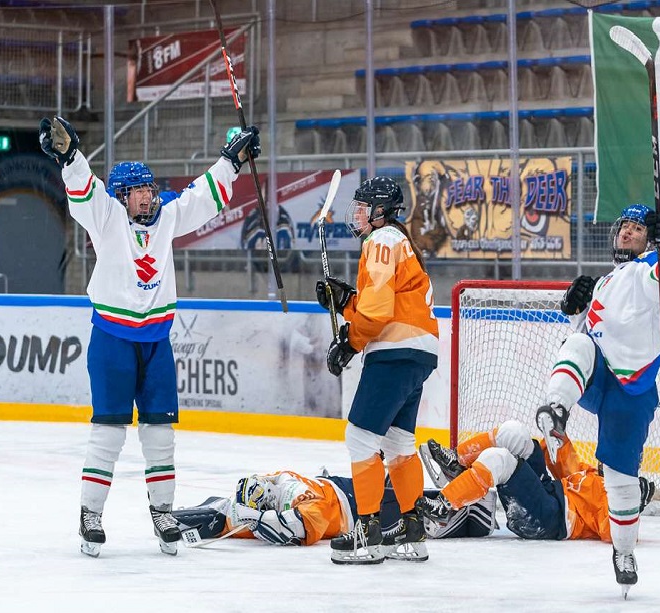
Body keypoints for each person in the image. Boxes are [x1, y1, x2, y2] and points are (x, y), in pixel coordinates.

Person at [38, 115, 261, 557]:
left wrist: (232, 161)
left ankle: (162, 512)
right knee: (109, 433)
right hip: (112, 341)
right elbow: (84, 189)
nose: (147, 195)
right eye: (138, 190)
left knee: (160, 434)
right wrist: (69, 156)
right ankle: (91, 515)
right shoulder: (107, 217)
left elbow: (202, 196)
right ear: (122, 197)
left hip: (156, 342)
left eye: (149, 188)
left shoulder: (166, 217)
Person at [531, 203, 660, 596]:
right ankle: (556, 410)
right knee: (579, 341)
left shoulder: (651, 267)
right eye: (625, 226)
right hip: (599, 378)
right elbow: (579, 337)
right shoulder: (603, 282)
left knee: (620, 481)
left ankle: (624, 552)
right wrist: (572, 310)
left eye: (638, 227)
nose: (629, 232)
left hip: (633, 392)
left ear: (649, 238)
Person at [314, 177, 439, 564]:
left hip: (395, 350)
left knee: (361, 438)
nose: (358, 214)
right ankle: (411, 530)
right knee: (399, 445)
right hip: (417, 351)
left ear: (380, 211)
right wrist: (346, 301)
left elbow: (379, 313)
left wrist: (350, 342)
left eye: (364, 207)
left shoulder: (381, 241)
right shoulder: (398, 240)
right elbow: (385, 303)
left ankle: (366, 533)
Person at [417, 418, 655, 544]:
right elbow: (563, 463)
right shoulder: (590, 473)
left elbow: (615, 535)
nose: (607, 459)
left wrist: (630, 506)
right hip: (547, 493)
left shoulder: (613, 499)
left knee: (499, 459)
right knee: (514, 432)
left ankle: (444, 507)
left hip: (549, 518)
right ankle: (457, 463)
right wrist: (555, 432)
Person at [170, 469, 496, 546]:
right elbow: (226, 508)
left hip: (355, 507)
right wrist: (176, 520)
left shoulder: (298, 497)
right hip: (347, 491)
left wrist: (251, 518)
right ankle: (474, 498)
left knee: (419, 514)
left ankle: (477, 509)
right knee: (410, 499)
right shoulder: (273, 483)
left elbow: (298, 529)